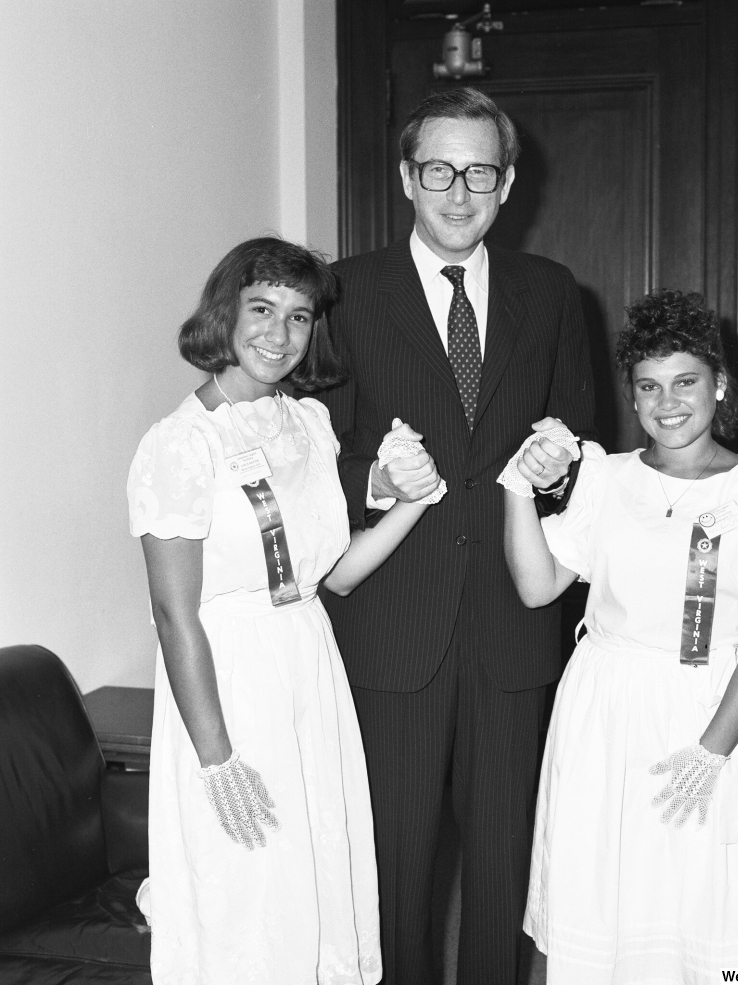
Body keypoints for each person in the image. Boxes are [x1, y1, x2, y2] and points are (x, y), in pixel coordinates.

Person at [318, 88, 595, 985]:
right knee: (394, 865)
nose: (458, 190)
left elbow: (583, 443)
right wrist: (373, 478)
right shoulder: (344, 293)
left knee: (503, 864)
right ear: (407, 177)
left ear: (508, 183)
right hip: (393, 628)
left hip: (513, 629)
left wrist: (561, 471)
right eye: (438, 169)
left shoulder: (551, 292)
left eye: (480, 170)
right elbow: (305, 456)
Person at [127, 237, 442, 984]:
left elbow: (334, 575)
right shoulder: (178, 445)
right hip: (225, 679)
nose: (279, 333)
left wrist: (414, 503)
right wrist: (216, 758)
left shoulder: (308, 424)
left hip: (307, 661)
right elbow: (175, 617)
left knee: (317, 870)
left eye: (299, 316)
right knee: (244, 887)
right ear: (224, 314)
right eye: (261, 309)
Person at [502, 289, 738, 984]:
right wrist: (517, 484)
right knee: (610, 891)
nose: (667, 402)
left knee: (700, 892)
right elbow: (536, 585)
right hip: (606, 707)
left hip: (713, 708)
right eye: (648, 387)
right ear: (633, 394)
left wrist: (711, 752)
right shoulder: (606, 477)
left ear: (720, 385)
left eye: (686, 382)